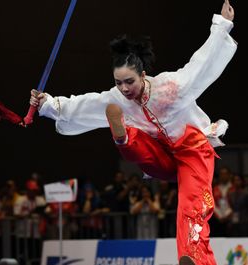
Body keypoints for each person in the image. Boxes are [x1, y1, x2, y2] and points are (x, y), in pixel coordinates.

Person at [30, 0, 236, 263]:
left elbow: (202, 64)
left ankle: (192, 258)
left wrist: (222, 25)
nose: (125, 88)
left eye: (129, 81)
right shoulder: (118, 99)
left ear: (143, 75)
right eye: (118, 82)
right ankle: (123, 137)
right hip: (159, 155)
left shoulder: (172, 87)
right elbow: (83, 105)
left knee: (192, 204)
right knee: (130, 134)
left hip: (192, 149)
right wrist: (48, 104)